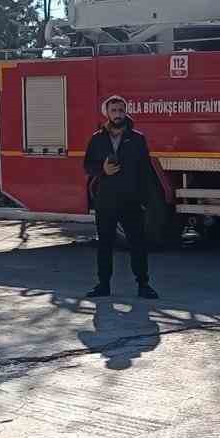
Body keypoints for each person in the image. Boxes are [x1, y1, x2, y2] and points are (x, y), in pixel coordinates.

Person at [82, 95, 159, 300]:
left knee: (138, 244)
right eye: (114, 111)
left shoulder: (137, 139)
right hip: (106, 201)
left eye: (121, 110)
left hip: (131, 201)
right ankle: (103, 285)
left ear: (126, 112)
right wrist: (102, 169)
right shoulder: (97, 139)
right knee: (105, 244)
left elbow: (145, 171)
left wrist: (145, 200)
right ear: (106, 113)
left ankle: (143, 285)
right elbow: (87, 165)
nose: (118, 114)